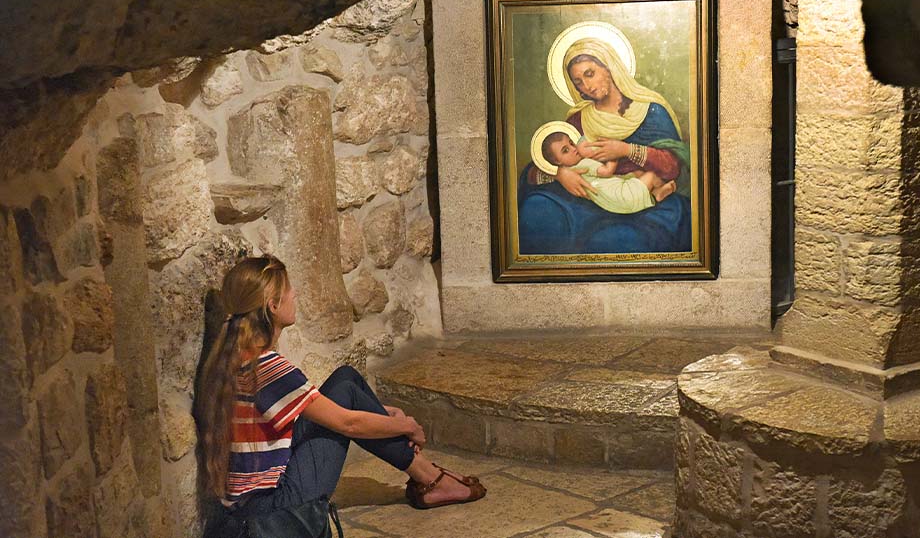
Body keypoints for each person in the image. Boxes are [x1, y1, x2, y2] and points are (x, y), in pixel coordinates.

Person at [194, 256, 485, 530]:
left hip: (251, 505)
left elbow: (315, 411)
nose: (295, 295)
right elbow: (348, 423)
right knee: (345, 399)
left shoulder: (232, 356)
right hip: (276, 509)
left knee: (345, 379)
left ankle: (427, 475)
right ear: (272, 305)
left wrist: (384, 415)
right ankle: (430, 478)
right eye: (289, 289)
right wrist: (407, 425)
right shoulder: (270, 369)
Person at [529, 37, 691, 200]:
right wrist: (560, 174)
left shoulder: (651, 111)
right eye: (578, 82)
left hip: (640, 195)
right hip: (598, 197)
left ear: (609, 67)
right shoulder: (578, 120)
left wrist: (626, 150)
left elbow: (674, 167)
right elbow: (535, 171)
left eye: (590, 74)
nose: (587, 86)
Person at [536, 127, 676, 214]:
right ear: (557, 162)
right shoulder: (584, 163)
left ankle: (656, 194)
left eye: (572, 143)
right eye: (565, 150)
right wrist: (614, 154)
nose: (573, 149)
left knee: (637, 175)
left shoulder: (573, 166)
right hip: (621, 196)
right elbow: (607, 171)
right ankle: (656, 191)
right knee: (650, 175)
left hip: (611, 203)